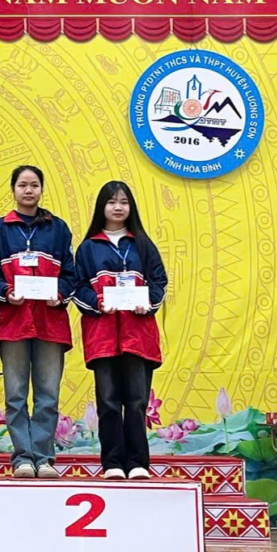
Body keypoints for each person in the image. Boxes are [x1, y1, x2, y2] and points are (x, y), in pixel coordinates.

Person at [0, 165, 77, 478]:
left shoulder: (58, 229)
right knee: (16, 395)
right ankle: (23, 458)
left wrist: (60, 294)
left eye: (34, 185)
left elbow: (71, 274)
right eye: (22, 184)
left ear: (41, 189)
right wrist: (5, 292)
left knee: (48, 395)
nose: (28, 190)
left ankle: (44, 458)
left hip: (50, 323)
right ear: (13, 189)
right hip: (12, 323)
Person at [73, 181, 167, 480]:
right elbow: (77, 287)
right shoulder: (88, 248)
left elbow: (159, 282)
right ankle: (112, 463)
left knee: (137, 402)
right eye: (112, 202)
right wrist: (97, 303)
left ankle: (138, 463)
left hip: (138, 335)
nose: (118, 207)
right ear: (102, 207)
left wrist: (147, 303)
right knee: (109, 402)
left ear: (131, 207)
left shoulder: (143, 244)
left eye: (124, 202)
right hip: (102, 336)